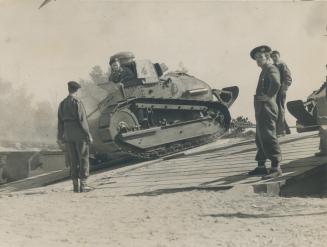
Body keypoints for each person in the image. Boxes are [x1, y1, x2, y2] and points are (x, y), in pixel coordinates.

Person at [248, 45, 283, 179]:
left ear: (267, 57)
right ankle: (261, 166)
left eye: (260, 57)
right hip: (262, 109)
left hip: (267, 108)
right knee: (260, 137)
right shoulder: (264, 70)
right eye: (256, 58)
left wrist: (268, 96)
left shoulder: (270, 68)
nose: (257, 60)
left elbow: (276, 84)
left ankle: (276, 167)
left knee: (268, 136)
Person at [57, 81, 93, 193]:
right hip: (79, 134)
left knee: (72, 159)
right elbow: (82, 121)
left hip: (67, 134)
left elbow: (60, 123)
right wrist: (88, 135)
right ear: (77, 91)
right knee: (83, 158)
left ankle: (75, 186)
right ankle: (83, 185)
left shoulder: (62, 103)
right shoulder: (77, 102)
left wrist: (60, 137)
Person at [271, 50, 292, 135]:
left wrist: (284, 88)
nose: (274, 58)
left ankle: (281, 131)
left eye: (275, 56)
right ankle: (286, 129)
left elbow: (288, 77)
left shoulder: (282, 65)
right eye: (272, 57)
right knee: (276, 109)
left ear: (279, 56)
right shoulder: (271, 67)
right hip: (273, 92)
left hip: (281, 90)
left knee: (280, 109)